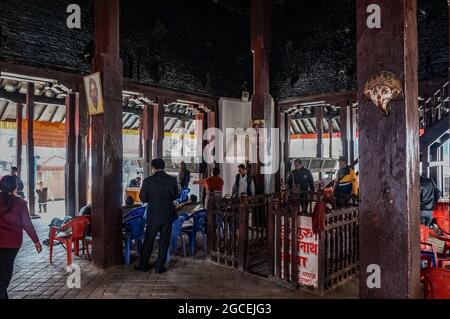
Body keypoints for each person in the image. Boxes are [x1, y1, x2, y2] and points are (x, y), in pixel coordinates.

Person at [0, 175, 42, 299]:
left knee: (2, 278)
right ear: (15, 187)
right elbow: (26, 223)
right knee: (5, 274)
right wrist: (36, 241)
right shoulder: (20, 203)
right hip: (12, 245)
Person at [136, 158, 179, 273]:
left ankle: (143, 265)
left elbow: (143, 199)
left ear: (153, 168)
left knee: (149, 240)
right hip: (167, 214)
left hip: (153, 215)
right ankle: (159, 267)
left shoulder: (148, 181)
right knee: (164, 241)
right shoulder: (171, 179)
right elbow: (175, 196)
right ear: (164, 167)